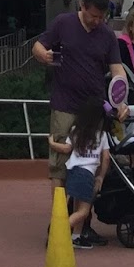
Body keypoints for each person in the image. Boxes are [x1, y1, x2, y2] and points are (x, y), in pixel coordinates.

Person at [33, 0, 128, 200]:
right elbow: (38, 46)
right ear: (82, 6)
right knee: (59, 163)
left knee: (90, 162)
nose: (97, 21)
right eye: (93, 15)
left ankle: (83, 221)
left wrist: (120, 100)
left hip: (93, 108)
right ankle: (59, 218)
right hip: (64, 104)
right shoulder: (63, 23)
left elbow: (117, 69)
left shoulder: (106, 35)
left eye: (101, 17)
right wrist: (44, 55)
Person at [47, 98, 110, 250]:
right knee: (83, 211)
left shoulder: (76, 130)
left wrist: (52, 143)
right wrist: (101, 176)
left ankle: (76, 236)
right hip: (87, 174)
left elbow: (66, 149)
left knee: (75, 204)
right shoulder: (101, 135)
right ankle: (60, 231)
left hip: (73, 171)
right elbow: (106, 157)